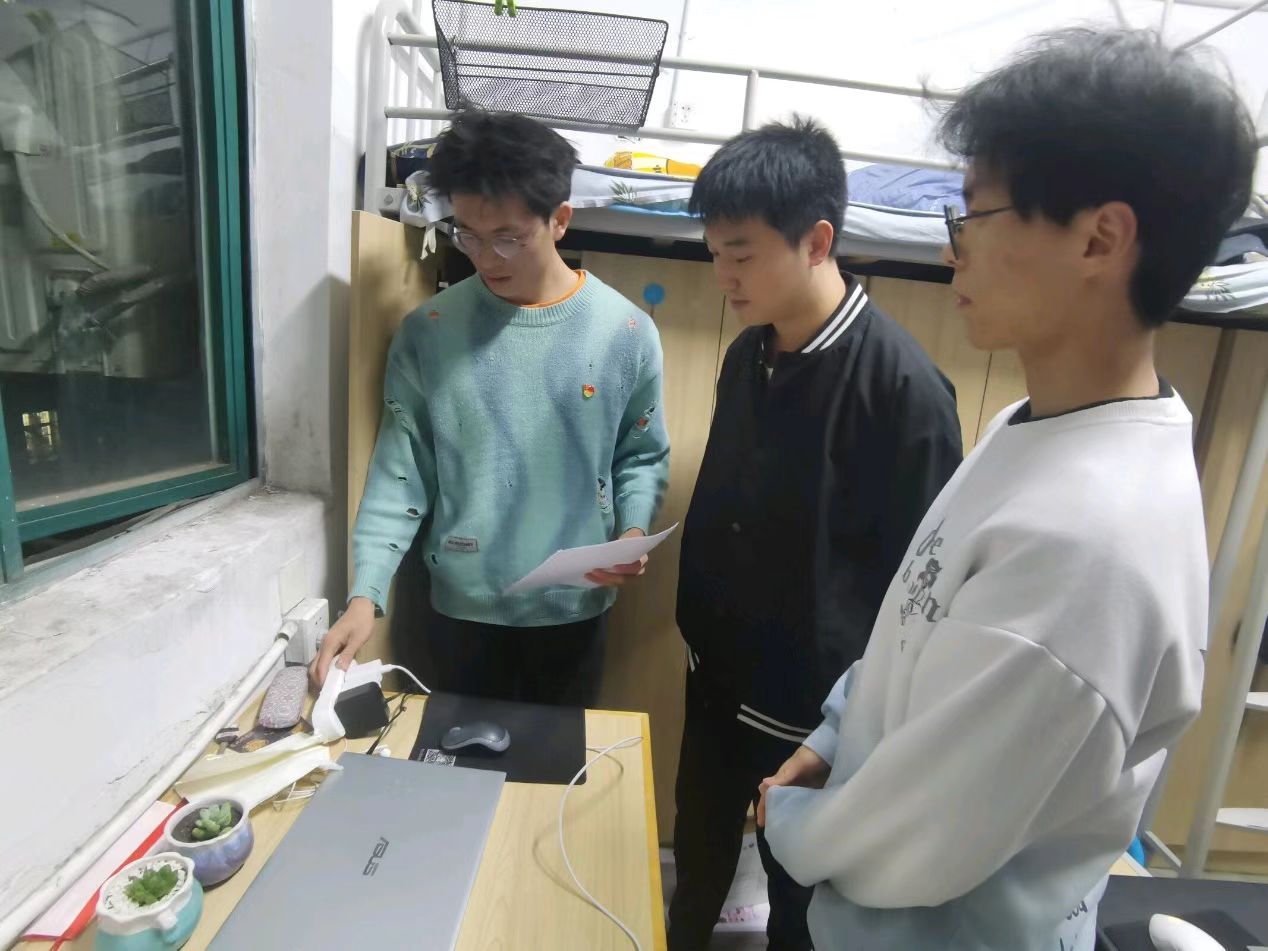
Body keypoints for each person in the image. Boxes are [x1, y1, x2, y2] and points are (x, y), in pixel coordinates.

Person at [760, 29, 1256, 951]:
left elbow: (918, 842)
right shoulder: (1035, 424)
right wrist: (831, 737)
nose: (954, 251)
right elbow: (914, 624)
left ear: (1100, 239)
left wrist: (785, 825)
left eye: (973, 216)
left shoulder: (1090, 543)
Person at [669, 117, 963, 950]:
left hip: (810, 709)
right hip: (715, 678)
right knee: (695, 862)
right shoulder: (747, 354)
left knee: (801, 907)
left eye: (741, 254)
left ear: (817, 240)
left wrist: (852, 730)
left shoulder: (905, 390)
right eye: (714, 253)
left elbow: (923, 595)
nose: (723, 275)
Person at [311, 111, 671, 706]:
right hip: (458, 612)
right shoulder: (430, 331)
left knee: (554, 765)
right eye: (468, 235)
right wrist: (364, 594)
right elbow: (401, 470)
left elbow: (641, 453)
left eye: (508, 237)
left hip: (574, 612)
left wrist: (631, 532)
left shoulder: (625, 331)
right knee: (450, 762)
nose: (487, 257)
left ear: (560, 220)